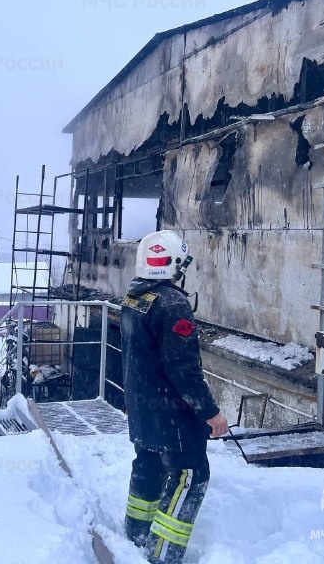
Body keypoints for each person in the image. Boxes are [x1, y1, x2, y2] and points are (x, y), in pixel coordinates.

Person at [121, 230, 228, 564]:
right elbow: (184, 370)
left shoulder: (134, 298)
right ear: (174, 264)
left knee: (149, 464)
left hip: (143, 410)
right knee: (191, 474)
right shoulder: (173, 305)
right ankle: (164, 555)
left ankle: (135, 536)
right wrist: (210, 413)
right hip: (172, 416)